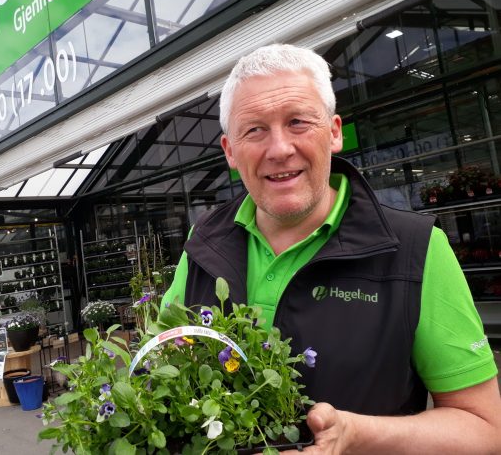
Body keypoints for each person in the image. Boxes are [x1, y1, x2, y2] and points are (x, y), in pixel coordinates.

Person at [161, 44, 501, 453]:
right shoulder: (202, 245)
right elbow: (157, 372)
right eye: (254, 129)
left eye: (298, 122)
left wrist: (356, 435)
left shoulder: (415, 250)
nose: (280, 149)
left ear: (335, 131)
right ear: (230, 151)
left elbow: (485, 429)